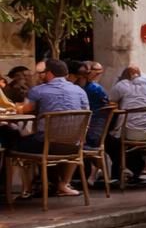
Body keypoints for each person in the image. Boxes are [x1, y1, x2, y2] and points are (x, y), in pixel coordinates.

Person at [0, 58, 91, 196]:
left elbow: (26, 110)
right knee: (50, 141)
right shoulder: (80, 91)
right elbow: (86, 115)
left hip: (45, 145)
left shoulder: (38, 91)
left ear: (49, 73)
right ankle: (61, 184)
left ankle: (20, 188)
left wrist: (16, 109)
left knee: (9, 136)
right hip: (74, 146)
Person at [77, 61, 110, 151]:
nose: (99, 75)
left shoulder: (91, 87)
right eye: (97, 73)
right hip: (93, 130)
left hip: (87, 129)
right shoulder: (95, 88)